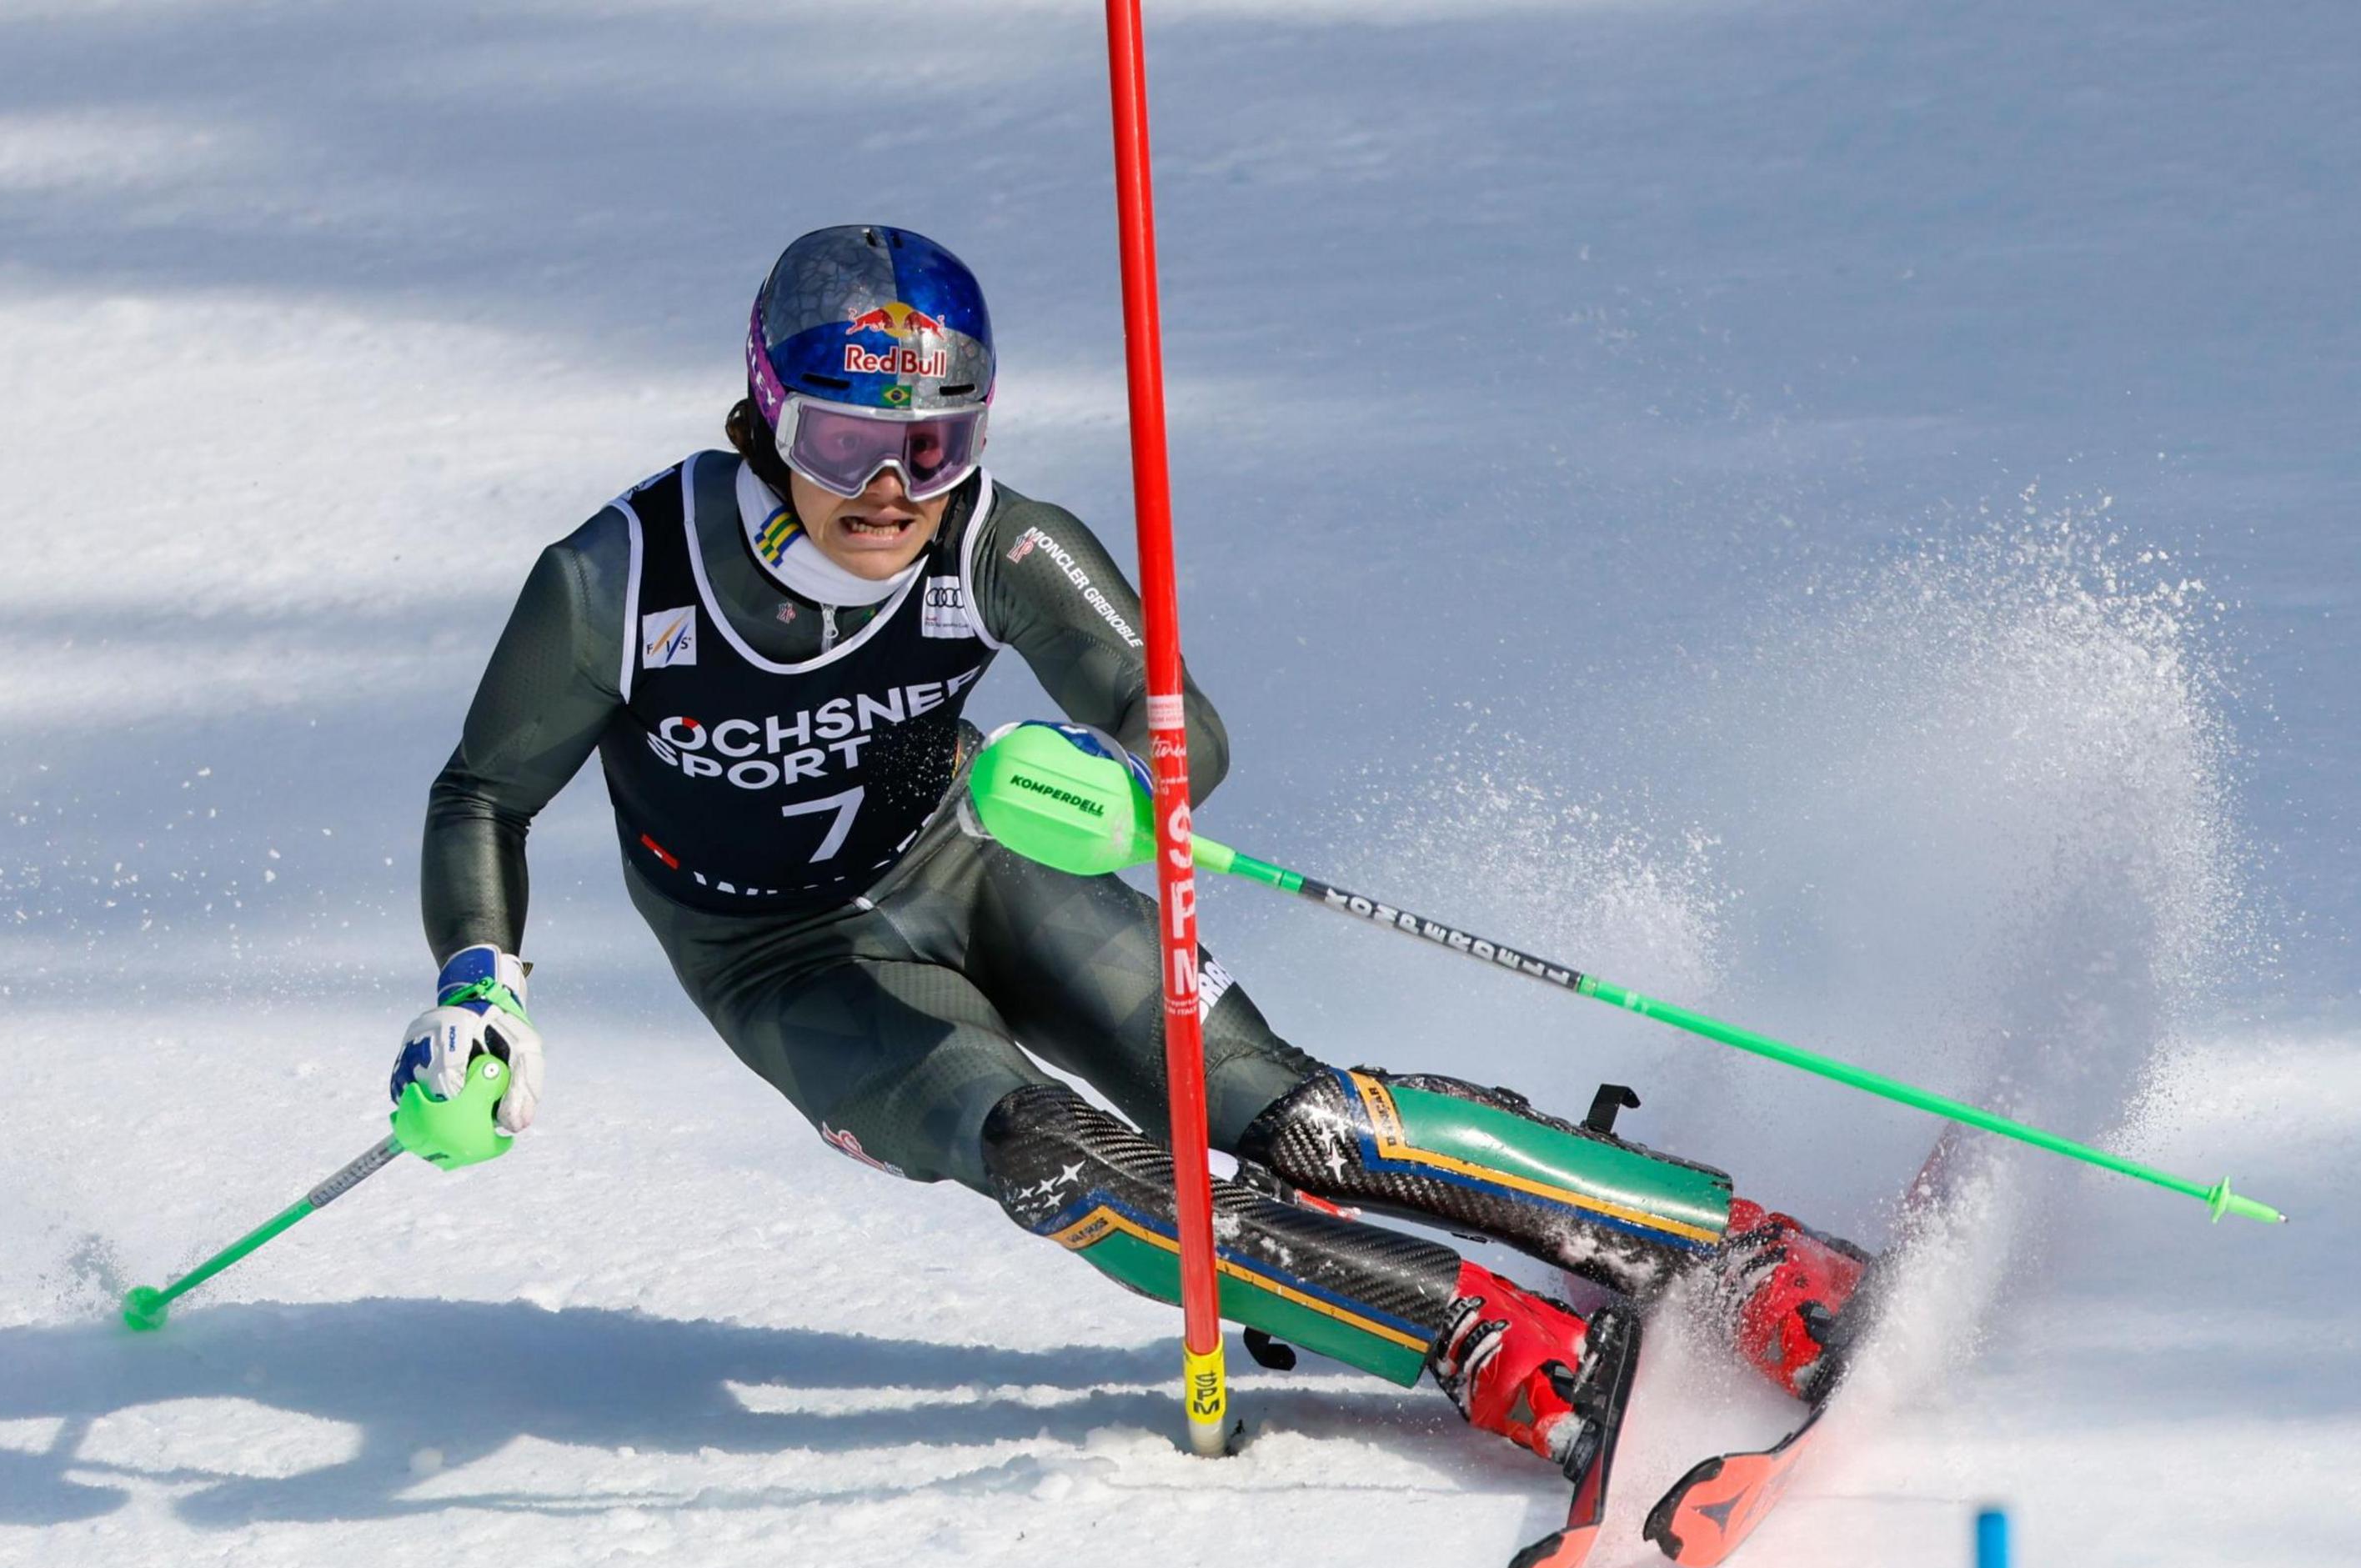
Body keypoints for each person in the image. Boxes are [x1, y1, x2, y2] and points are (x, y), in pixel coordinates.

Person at [396, 223, 1872, 1475]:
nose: (891, 490)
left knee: (1288, 1119)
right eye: (844, 442)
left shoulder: (998, 545)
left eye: (936, 440)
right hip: (781, 957)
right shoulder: (619, 579)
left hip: (974, 860)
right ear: (767, 416)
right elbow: (483, 794)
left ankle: (1738, 1250)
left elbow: (1178, 725)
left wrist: (1128, 784)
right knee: (1050, 1154)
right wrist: (480, 989)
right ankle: (1474, 1332)